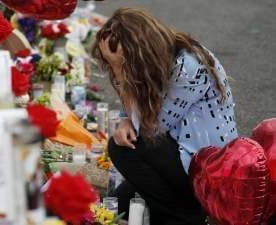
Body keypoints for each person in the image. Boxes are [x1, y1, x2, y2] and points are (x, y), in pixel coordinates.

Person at [92, 7, 238, 225]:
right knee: (115, 203)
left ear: (140, 51)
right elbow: (139, 112)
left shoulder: (188, 66)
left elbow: (151, 128)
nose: (115, 71)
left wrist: (121, 72)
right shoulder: (163, 56)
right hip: (178, 150)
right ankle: (171, 207)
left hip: (205, 170)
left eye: (120, 63)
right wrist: (124, 119)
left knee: (122, 149)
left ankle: (187, 216)